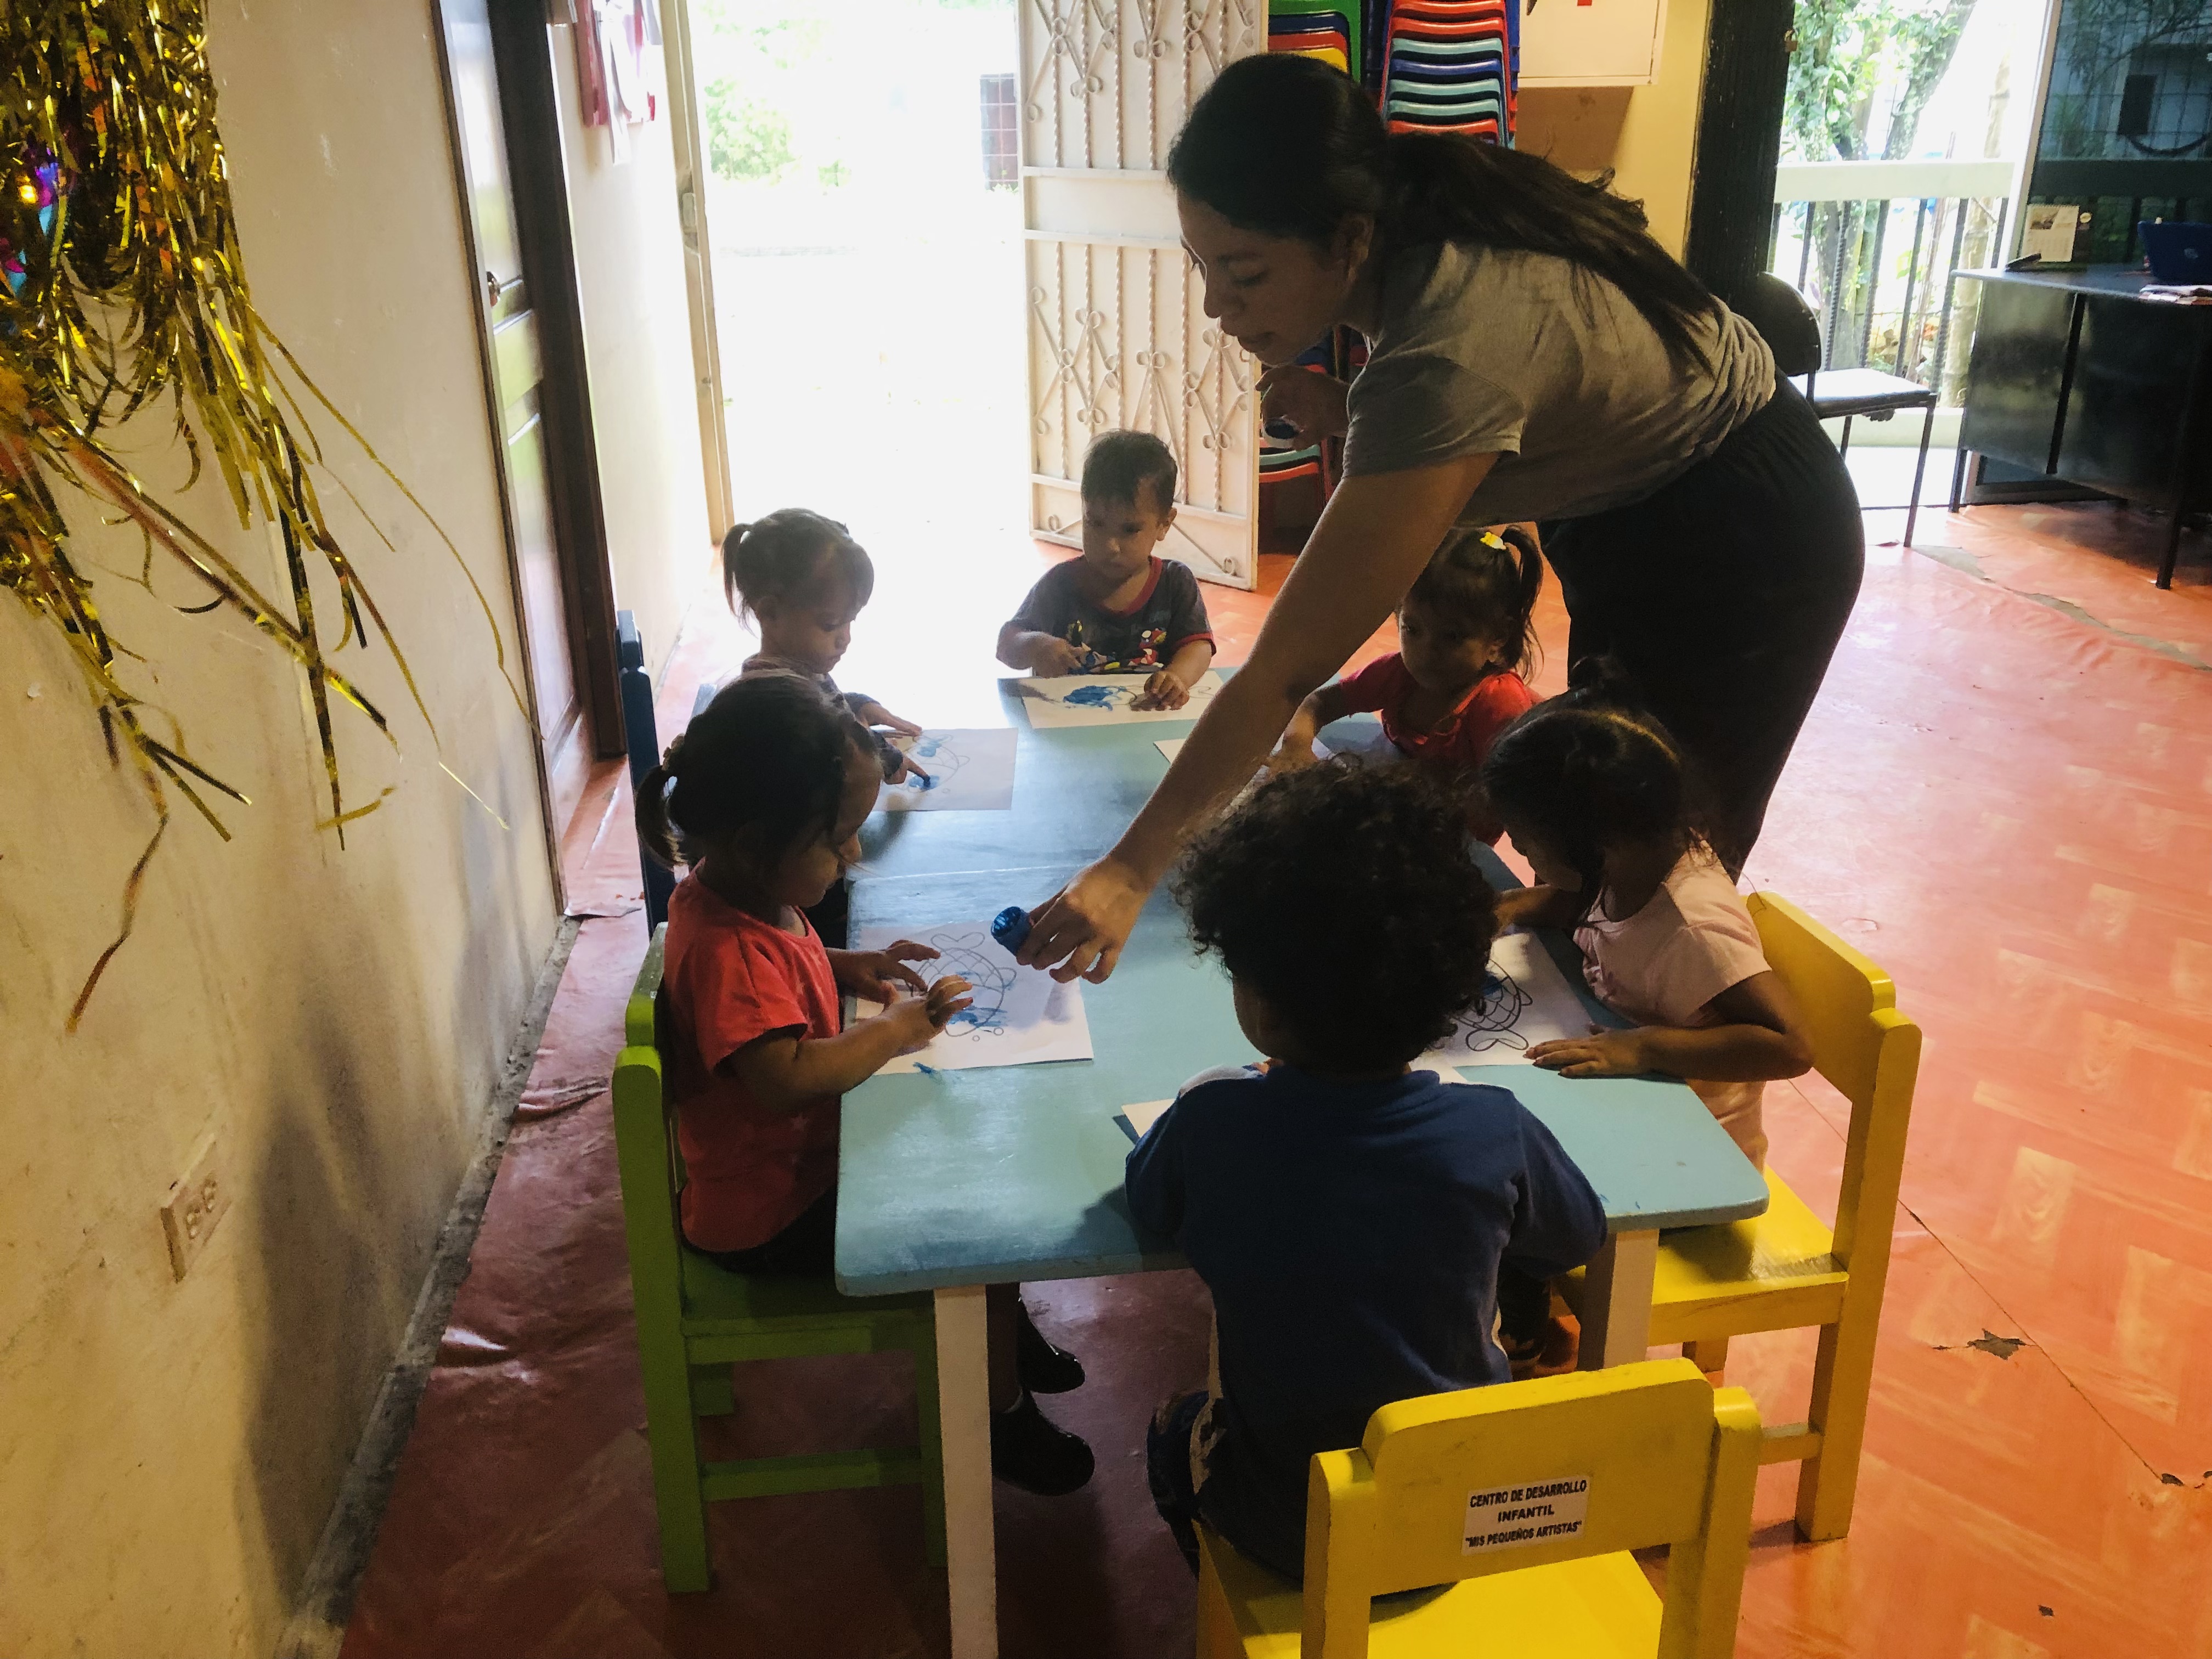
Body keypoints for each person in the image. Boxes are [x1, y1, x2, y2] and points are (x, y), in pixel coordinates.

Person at [1013, 53, 1863, 984]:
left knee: (1660, 839)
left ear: (1348, 239)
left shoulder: (1451, 348)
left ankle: (1676, 1037)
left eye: (1245, 273)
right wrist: (1354, 412)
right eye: (1204, 268)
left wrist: (1130, 869)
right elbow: (1526, 399)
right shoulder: (1412, 230)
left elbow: (1287, 667)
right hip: (1638, 503)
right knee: (1594, 809)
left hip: (1746, 531)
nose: (1217, 305)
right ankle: (1586, 976)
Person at [1127, 761, 1608, 1578]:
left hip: (1291, 1530)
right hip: (1463, 1523)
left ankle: (1212, 1554)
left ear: (1262, 1005)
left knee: (1177, 1426)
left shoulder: (1212, 1120)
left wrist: (1215, 1095)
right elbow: (1576, 1238)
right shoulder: (1494, 1126)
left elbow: (1148, 1206)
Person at [637, 673, 1094, 1494]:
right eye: (838, 839)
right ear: (756, 841)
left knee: (973, 1186)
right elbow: (783, 1078)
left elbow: (786, 967)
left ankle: (1007, 1340)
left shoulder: (740, 893)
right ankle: (997, 1415)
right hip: (770, 1213)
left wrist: (850, 963)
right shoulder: (728, 947)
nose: (852, 855)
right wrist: (893, 1031)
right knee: (980, 1232)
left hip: (797, 1171)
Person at [1480, 667, 1815, 1171]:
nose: (1520, 850)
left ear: (1595, 842)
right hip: (1626, 1102)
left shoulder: (1694, 929)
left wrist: (1646, 1049)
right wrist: (1510, 907)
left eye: (1526, 841)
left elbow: (1790, 1047)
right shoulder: (1633, 859)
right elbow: (1582, 901)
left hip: (1694, 1152)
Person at [1269, 524, 1540, 843]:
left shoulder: (1498, 703)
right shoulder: (1398, 673)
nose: (1426, 651)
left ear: (1498, 638)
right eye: (1412, 629)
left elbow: (1503, 803)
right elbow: (1318, 703)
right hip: (1400, 804)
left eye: (1452, 636)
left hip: (1455, 837)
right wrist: (1296, 746)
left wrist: (1402, 792)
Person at [997, 430, 1216, 711]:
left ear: (1164, 524)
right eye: (1096, 523)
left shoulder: (1175, 583)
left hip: (1145, 718)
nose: (1110, 545)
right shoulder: (1061, 585)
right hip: (1068, 720)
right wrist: (1035, 646)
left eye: (1129, 529)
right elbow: (1007, 643)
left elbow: (1197, 646)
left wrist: (1178, 677)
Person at [724, 509, 926, 787]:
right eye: (831, 625)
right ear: (769, 613)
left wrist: (859, 705)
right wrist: (881, 755)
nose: (846, 638)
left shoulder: (793, 673)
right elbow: (831, 740)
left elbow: (825, 703)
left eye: (851, 621)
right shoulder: (774, 708)